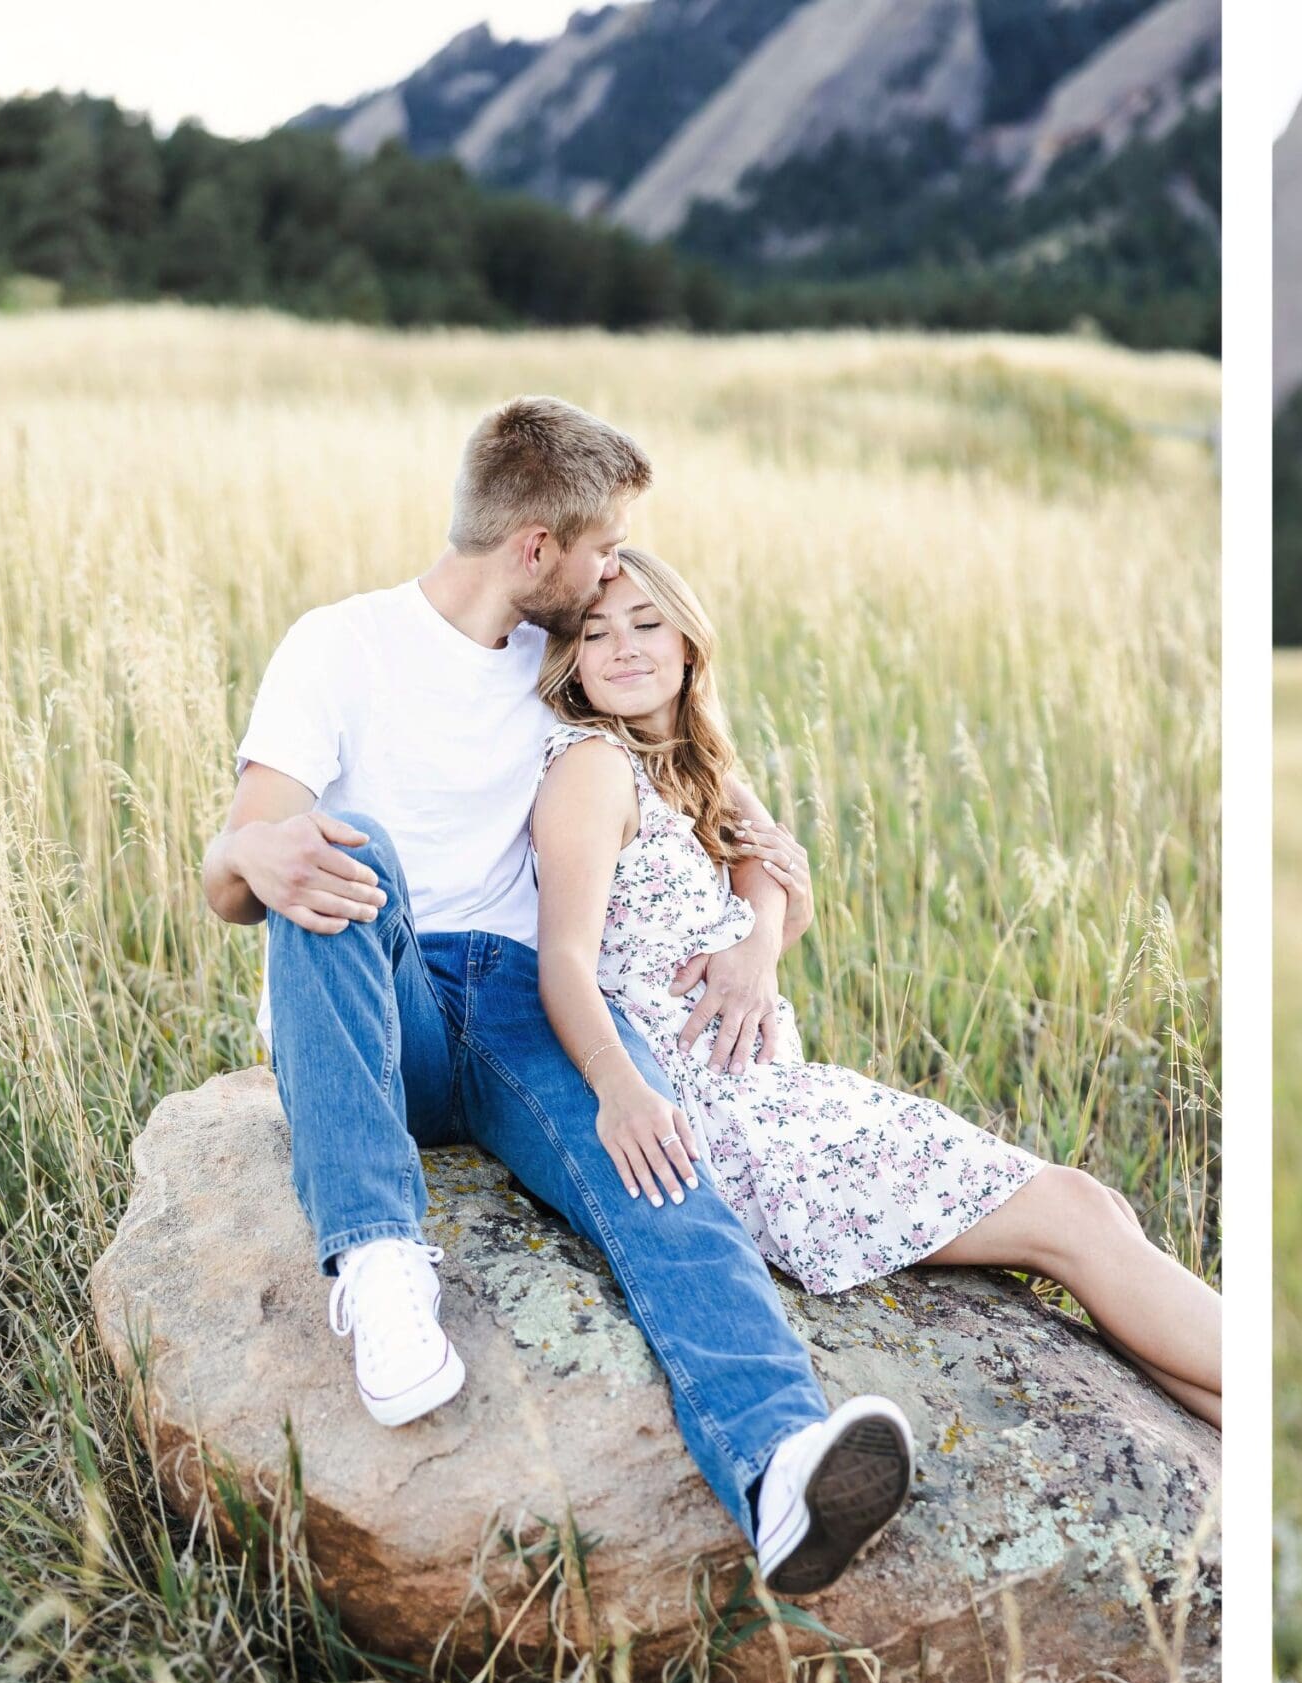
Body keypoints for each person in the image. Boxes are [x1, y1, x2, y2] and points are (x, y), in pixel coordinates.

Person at [199, 395, 915, 1603]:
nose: (612, 576)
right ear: (536, 549)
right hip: (385, 999)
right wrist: (252, 859)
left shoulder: (571, 659)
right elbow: (234, 866)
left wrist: (759, 928)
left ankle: (780, 1458)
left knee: (656, 1160)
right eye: (600, 551)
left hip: (529, 998)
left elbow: (729, 803)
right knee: (347, 848)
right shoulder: (341, 645)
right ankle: (378, 1262)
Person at [524, 543, 1225, 1469]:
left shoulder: (688, 763)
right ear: (568, 658)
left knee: (1094, 1220)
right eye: (595, 631)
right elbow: (562, 961)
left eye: (648, 624)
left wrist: (756, 949)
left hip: (778, 1092)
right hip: (727, 1119)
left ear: (690, 643)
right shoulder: (593, 769)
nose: (623, 648)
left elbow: (766, 861)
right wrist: (616, 1084)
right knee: (1076, 1216)